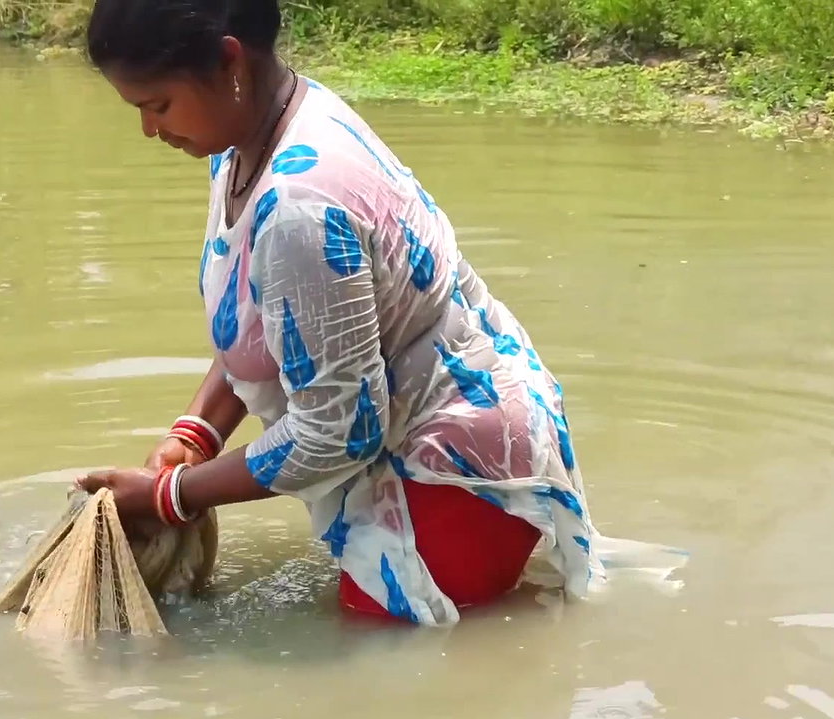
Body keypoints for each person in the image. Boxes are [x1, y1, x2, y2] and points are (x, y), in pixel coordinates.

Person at [75, 0, 604, 626]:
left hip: (455, 465)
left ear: (227, 62)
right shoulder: (251, 136)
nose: (149, 130)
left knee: (393, 670)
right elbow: (264, 321)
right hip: (448, 411)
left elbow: (337, 434)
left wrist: (172, 496)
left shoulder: (300, 206)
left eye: (157, 105)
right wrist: (195, 434)